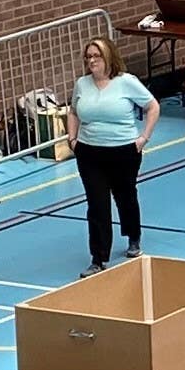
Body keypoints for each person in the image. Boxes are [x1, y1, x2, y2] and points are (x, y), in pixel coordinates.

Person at [69, 37, 157, 271]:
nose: (91, 61)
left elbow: (152, 106)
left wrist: (143, 138)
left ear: (108, 57)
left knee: (125, 195)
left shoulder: (126, 82)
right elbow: (73, 111)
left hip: (123, 151)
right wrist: (72, 139)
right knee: (97, 204)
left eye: (96, 56)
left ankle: (133, 235)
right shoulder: (82, 84)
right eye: (88, 57)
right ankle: (98, 257)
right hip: (89, 152)